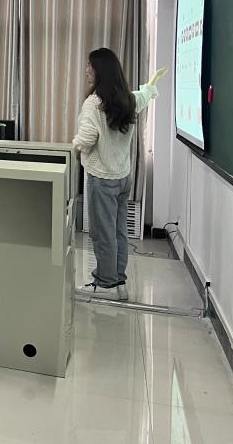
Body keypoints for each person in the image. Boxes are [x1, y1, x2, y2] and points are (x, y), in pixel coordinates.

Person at [73, 48, 166, 301]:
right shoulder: (128, 100)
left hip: (101, 178)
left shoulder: (94, 104)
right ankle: (118, 281)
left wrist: (74, 147)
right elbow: (145, 96)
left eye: (90, 66)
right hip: (123, 178)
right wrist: (152, 83)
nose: (86, 71)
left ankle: (105, 284)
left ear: (100, 71)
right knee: (118, 231)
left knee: (103, 234)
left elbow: (87, 138)